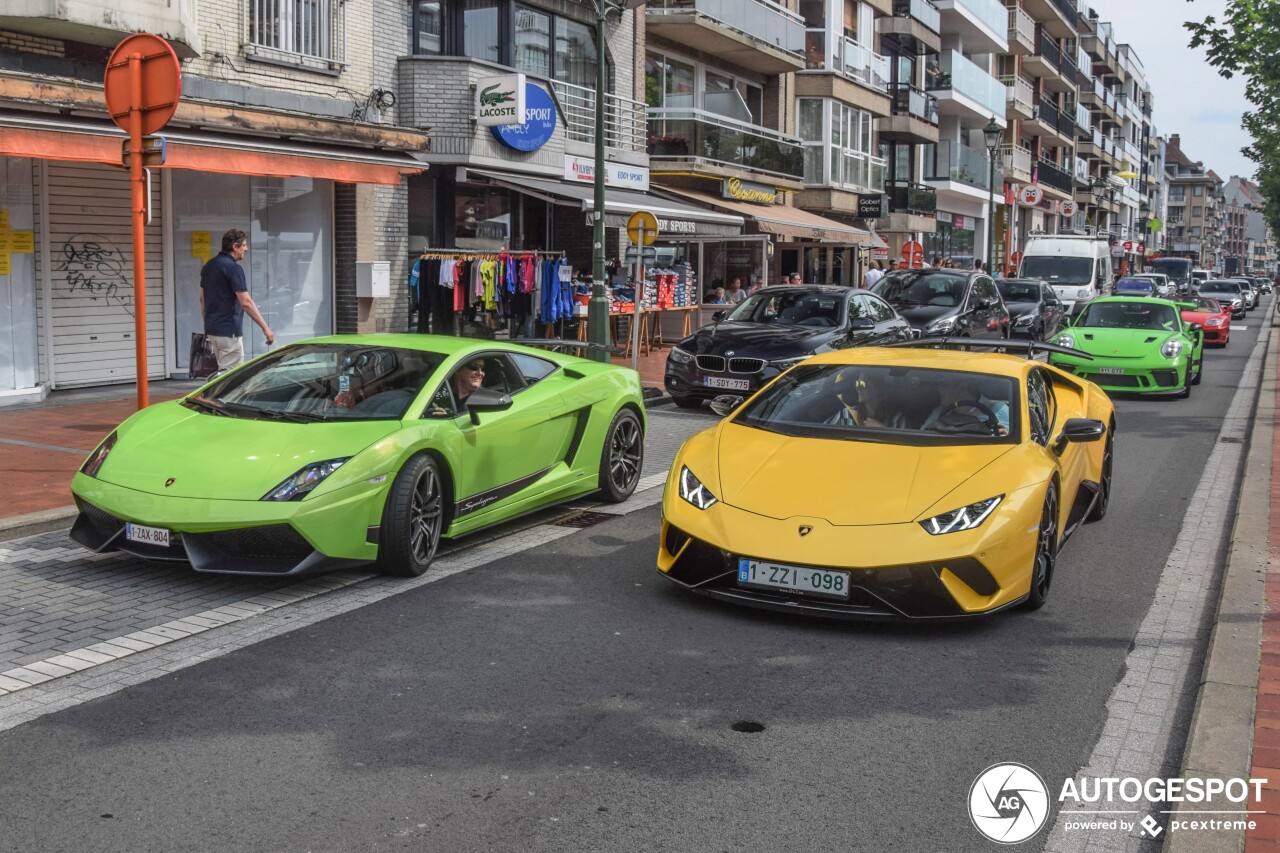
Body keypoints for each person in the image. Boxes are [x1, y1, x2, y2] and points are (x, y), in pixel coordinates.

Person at [199, 228, 274, 371]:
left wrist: (209, 323)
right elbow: (245, 302)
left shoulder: (208, 266)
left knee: (221, 373)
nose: (246, 249)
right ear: (235, 246)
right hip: (228, 331)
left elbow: (202, 299)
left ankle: (213, 393)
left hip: (212, 329)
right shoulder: (233, 268)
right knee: (231, 377)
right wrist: (266, 328)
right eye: (244, 245)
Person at [921, 379, 1009, 434]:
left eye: (944, 385)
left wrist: (1004, 436)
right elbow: (923, 435)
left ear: (962, 386)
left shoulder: (999, 410)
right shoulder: (939, 411)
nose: (938, 389)